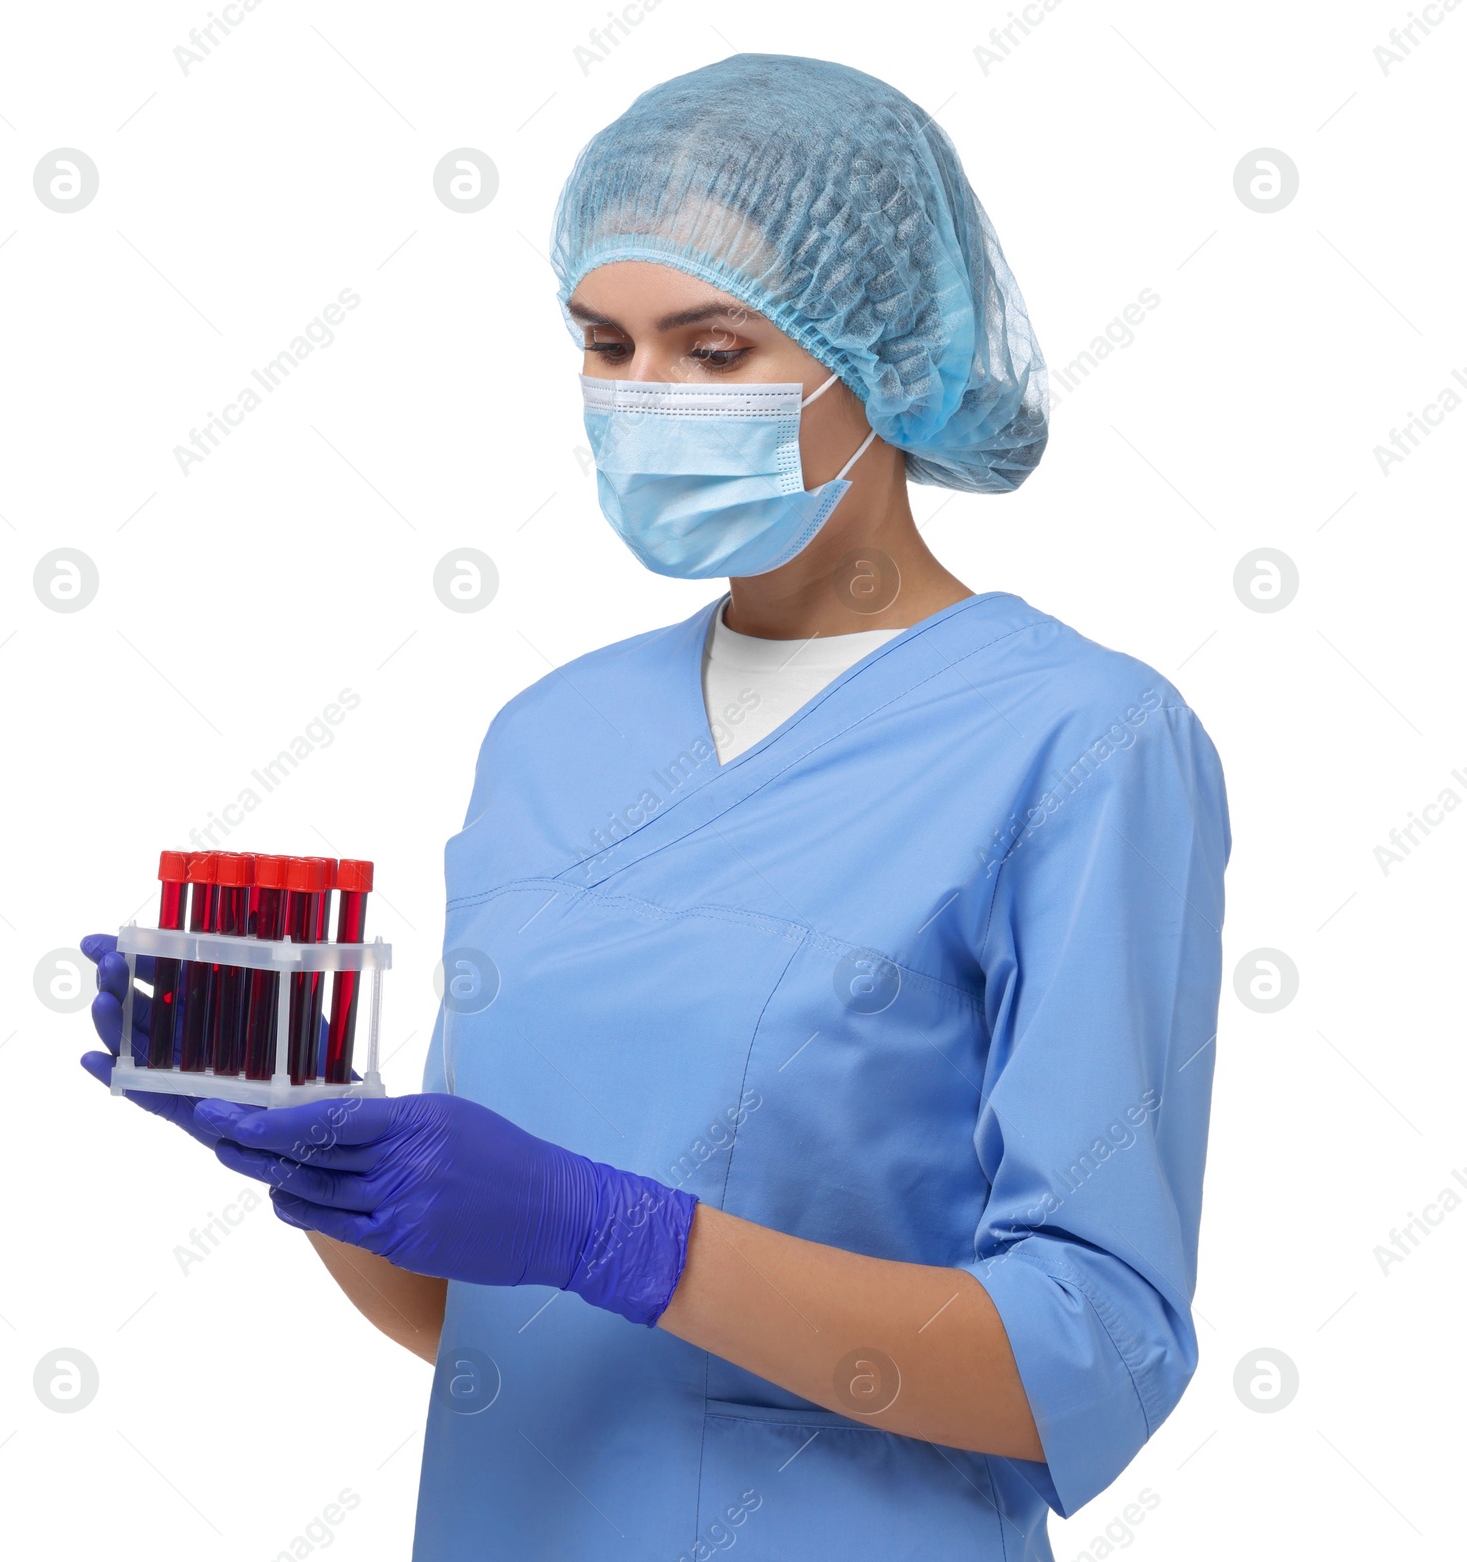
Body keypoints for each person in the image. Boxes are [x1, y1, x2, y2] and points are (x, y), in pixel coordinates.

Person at [83, 54, 1229, 1561]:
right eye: (603, 342)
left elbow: (1097, 1348)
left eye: (710, 348)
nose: (640, 400)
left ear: (875, 355)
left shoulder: (1080, 739)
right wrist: (320, 1153)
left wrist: (626, 1235)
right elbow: (482, 1318)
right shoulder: (551, 736)